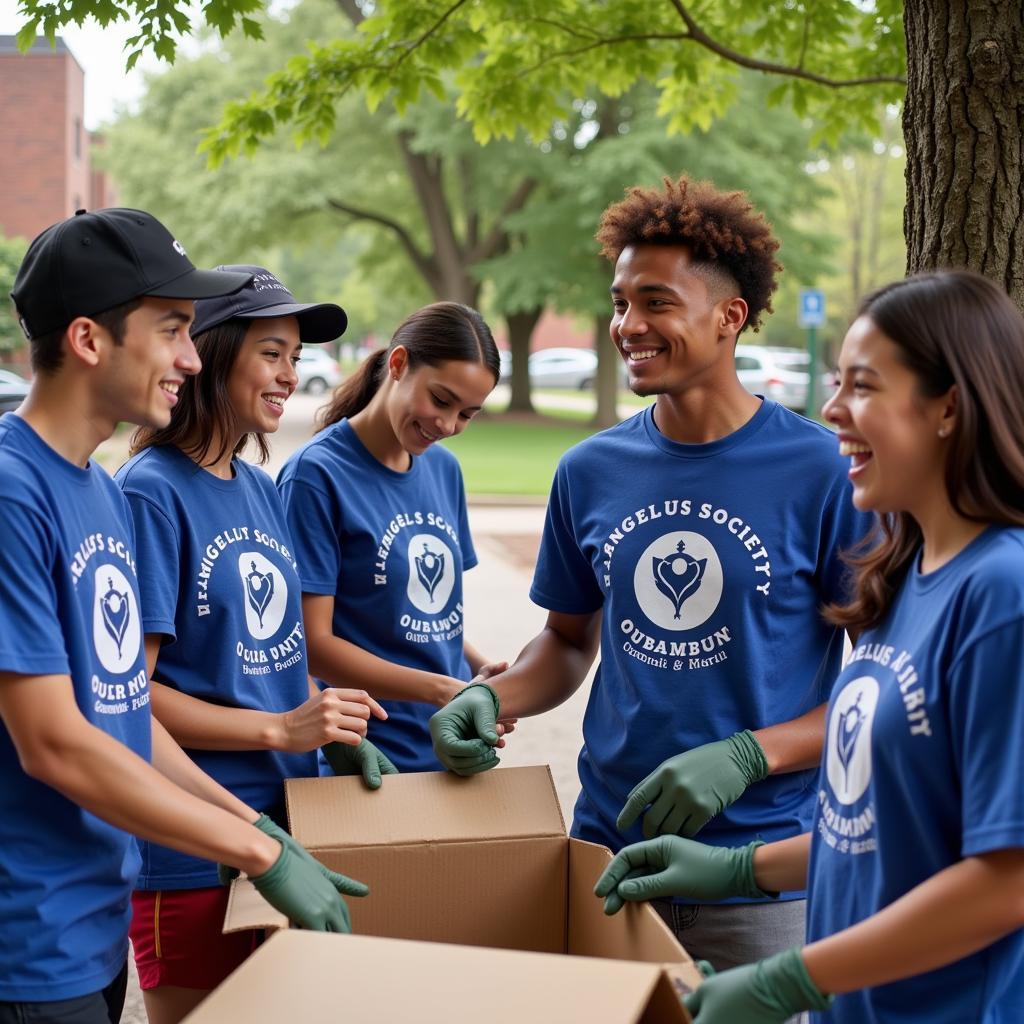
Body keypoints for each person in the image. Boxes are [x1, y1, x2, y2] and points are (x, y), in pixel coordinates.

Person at [429, 176, 871, 968]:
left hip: (765, 877)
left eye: (656, 303)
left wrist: (748, 756)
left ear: (729, 317)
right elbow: (567, 643)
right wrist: (491, 695)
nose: (627, 325)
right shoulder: (591, 470)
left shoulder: (824, 471)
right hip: (610, 858)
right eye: (619, 302)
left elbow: (876, 687)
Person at [594, 269, 1024, 1022]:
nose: (831, 410)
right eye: (835, 384)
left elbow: (1007, 878)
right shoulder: (905, 580)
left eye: (862, 387)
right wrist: (738, 869)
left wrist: (788, 976)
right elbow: (880, 829)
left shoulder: (1003, 595)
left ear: (949, 406)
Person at [0, 210, 356, 1024]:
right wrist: (256, 848)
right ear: (90, 340)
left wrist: (255, 823)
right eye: (172, 331)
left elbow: (125, 715)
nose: (190, 359)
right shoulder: (14, 491)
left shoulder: (96, 492)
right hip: (25, 943)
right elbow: (54, 742)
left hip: (89, 930)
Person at [114, 266, 395, 1024]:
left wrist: (323, 721)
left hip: (288, 834)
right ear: (211, 353)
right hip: (194, 849)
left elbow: (268, 662)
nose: (289, 376)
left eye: (295, 357)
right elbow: (128, 700)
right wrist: (276, 729)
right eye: (272, 352)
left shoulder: (260, 487)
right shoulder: (151, 491)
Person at [277, 302, 503, 772]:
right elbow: (312, 644)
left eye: (468, 414)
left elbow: (430, 619)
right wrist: (444, 689)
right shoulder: (316, 475)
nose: (448, 426)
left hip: (450, 748)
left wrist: (480, 674)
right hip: (367, 755)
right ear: (398, 365)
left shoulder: (444, 469)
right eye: (441, 400)